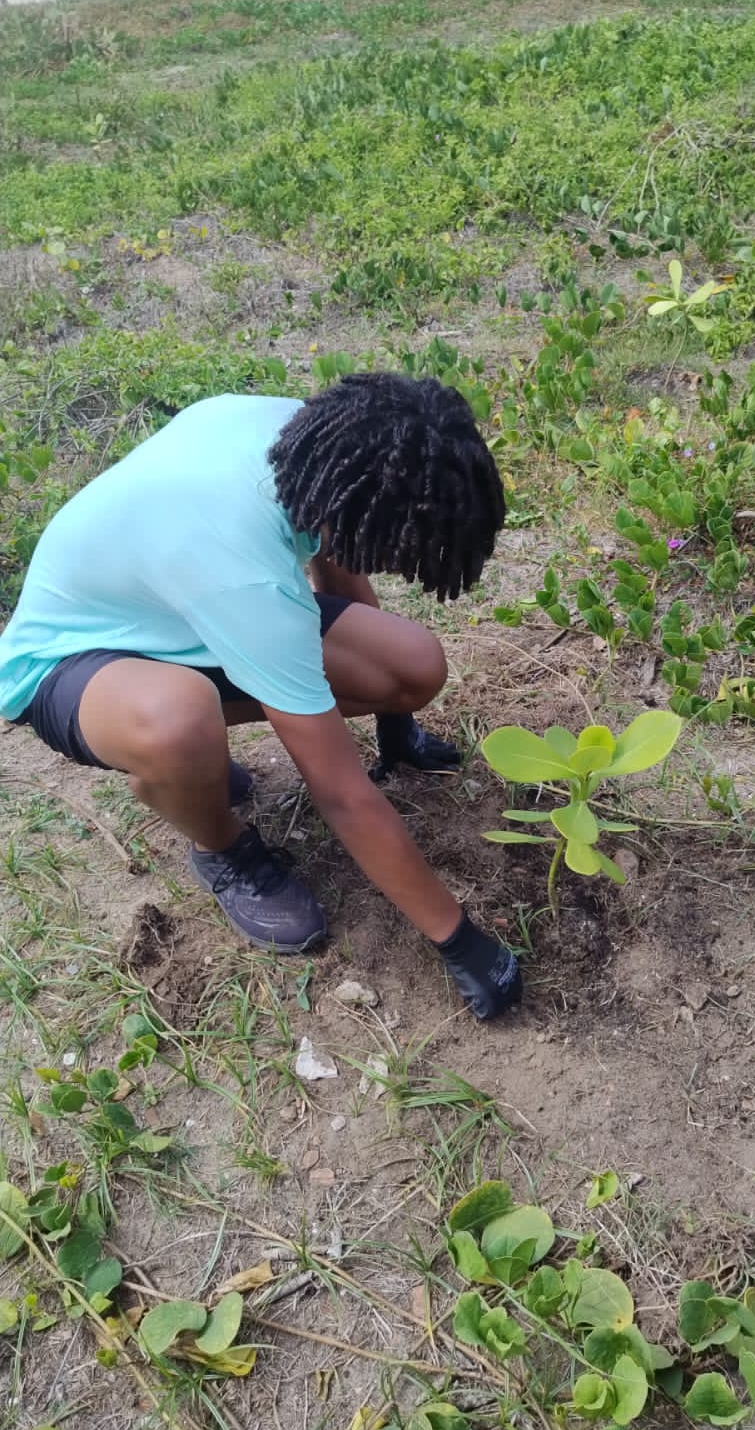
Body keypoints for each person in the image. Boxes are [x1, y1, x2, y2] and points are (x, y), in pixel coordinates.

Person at [0, 376, 522, 1022]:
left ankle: (197, 752)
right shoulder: (240, 570)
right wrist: (459, 939)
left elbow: (334, 546)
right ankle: (220, 844)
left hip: (183, 615)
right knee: (176, 724)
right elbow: (342, 792)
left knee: (410, 663)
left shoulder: (309, 440)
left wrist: (396, 722)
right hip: (73, 664)